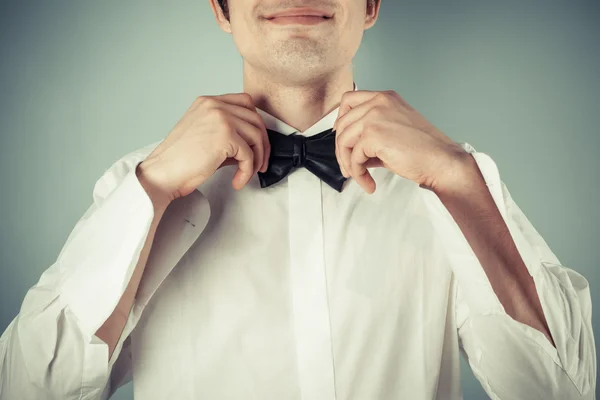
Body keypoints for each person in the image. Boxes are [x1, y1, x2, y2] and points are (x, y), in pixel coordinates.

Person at [0, 0, 595, 398]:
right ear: (220, 8)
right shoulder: (139, 188)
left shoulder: (454, 180)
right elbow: (28, 386)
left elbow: (563, 387)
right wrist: (152, 190)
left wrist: (460, 181)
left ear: (369, 5)